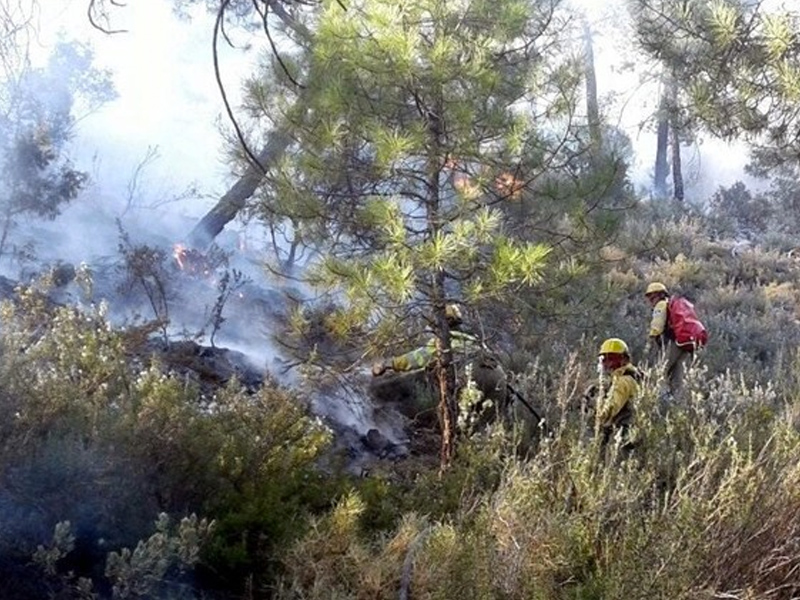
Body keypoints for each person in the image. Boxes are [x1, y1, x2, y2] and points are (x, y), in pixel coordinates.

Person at [371, 304, 508, 423]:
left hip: (472, 374)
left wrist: (388, 364)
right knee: (485, 425)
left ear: (442, 323)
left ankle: (457, 449)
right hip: (498, 376)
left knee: (456, 419)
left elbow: (414, 359)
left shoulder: (443, 342)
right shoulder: (473, 339)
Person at [644, 282, 707, 400]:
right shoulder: (671, 305)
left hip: (672, 344)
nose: (650, 300)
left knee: (659, 372)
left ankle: (662, 400)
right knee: (676, 376)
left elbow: (657, 326)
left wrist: (649, 342)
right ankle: (678, 404)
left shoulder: (661, 305)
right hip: (683, 345)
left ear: (658, 295)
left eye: (651, 297)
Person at [593, 337, 642, 452]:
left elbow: (610, 409)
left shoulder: (623, 381)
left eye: (612, 358)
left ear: (624, 359)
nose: (607, 363)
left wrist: (594, 412)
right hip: (634, 432)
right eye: (605, 359)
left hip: (622, 435)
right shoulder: (633, 375)